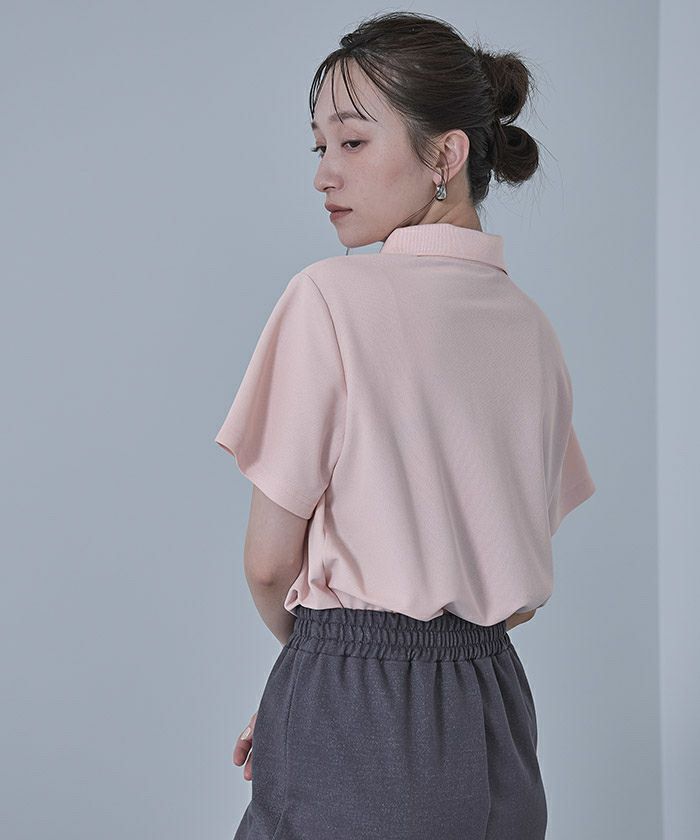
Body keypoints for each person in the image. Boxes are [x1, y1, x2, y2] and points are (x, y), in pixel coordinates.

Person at [214, 11, 595, 840]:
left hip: (353, 696)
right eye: (319, 146)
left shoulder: (330, 297)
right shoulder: (533, 330)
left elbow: (269, 563)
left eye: (352, 142)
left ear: (445, 155)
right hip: (496, 713)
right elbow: (513, 582)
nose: (324, 173)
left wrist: (322, 678)